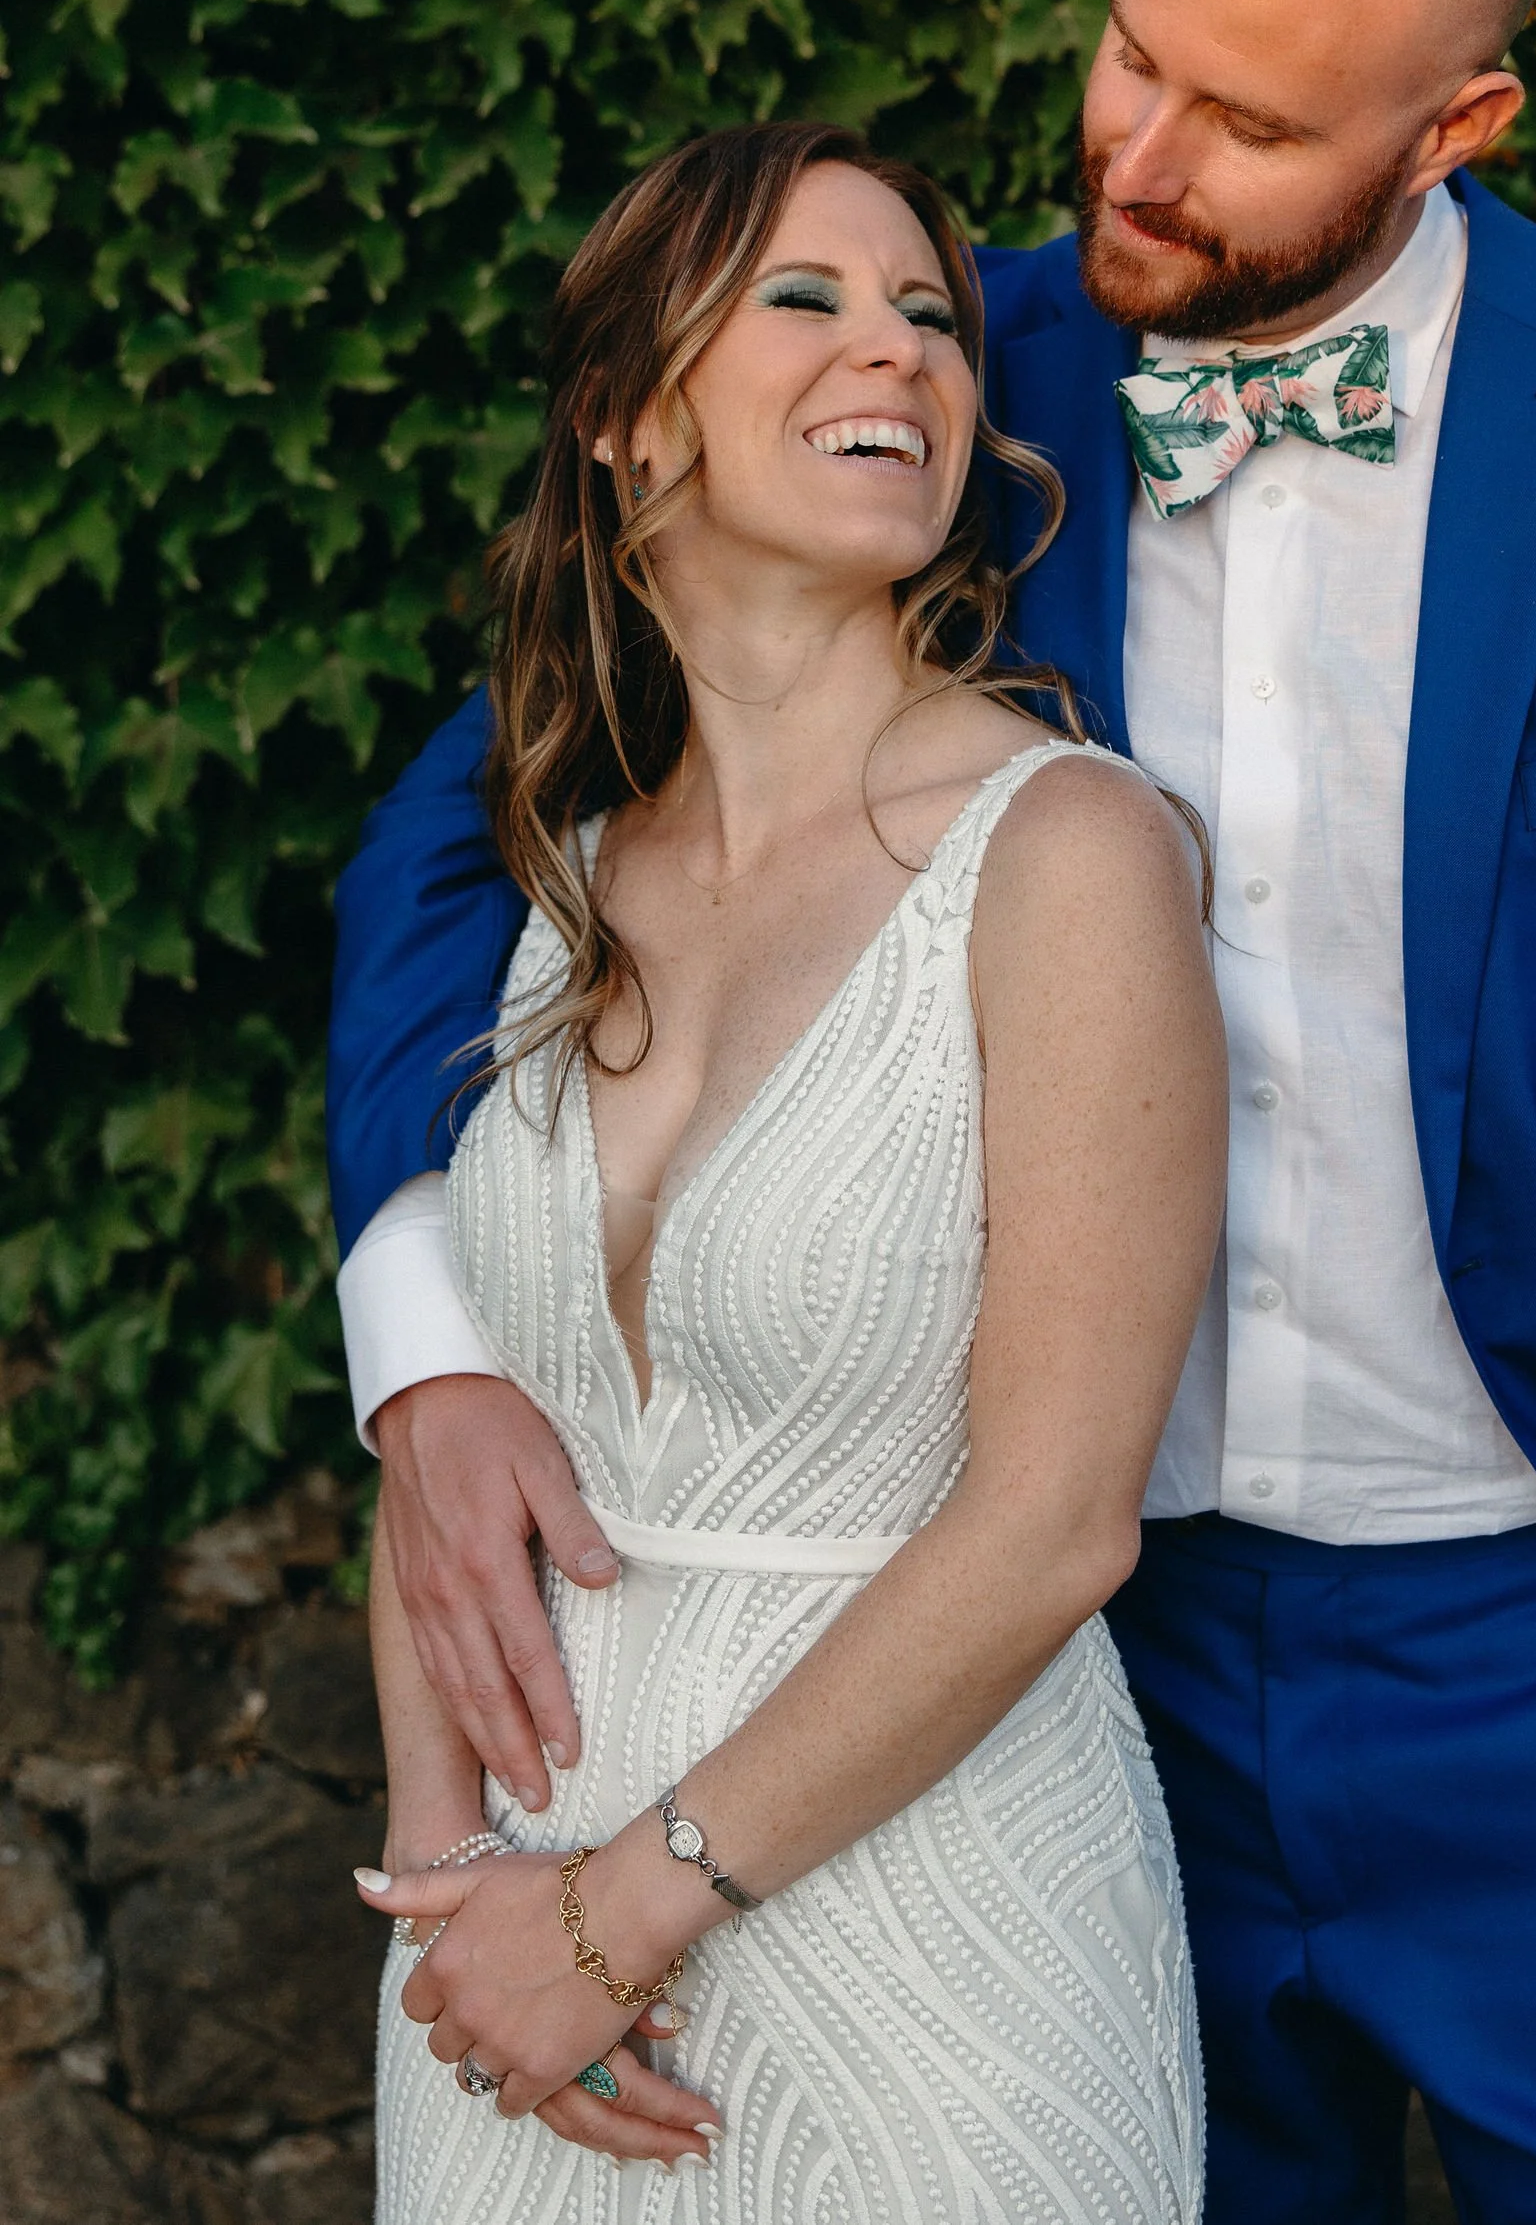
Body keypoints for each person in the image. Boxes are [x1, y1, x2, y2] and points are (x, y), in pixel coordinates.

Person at [331, 0, 1536, 2224]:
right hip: (1040, 1691)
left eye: (1245, 120)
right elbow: (460, 830)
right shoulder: (935, 377)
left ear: (1454, 121)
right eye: (1133, 49)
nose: (1135, 161)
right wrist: (431, 1341)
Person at [350, 124, 1224, 2220]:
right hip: (519, 1968)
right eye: (809, 300)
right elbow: (457, 1455)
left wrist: (615, 1918)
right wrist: (451, 1880)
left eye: (930, 312)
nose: (901, 352)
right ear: (630, 415)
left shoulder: (1070, 852)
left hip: (933, 1924)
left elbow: (1053, 1524)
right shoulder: (563, 858)